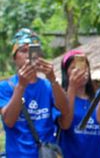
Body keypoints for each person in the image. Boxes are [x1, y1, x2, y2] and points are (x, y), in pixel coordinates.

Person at [0, 28, 69, 158]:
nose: (27, 55)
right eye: (23, 51)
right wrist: (21, 85)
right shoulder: (5, 87)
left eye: (32, 51)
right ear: (14, 58)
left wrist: (53, 79)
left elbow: (65, 111)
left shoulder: (48, 86)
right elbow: (9, 121)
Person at [57, 49, 100, 158]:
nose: (80, 71)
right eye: (73, 68)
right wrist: (72, 87)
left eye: (84, 67)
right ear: (66, 72)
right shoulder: (61, 98)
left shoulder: (96, 99)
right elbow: (64, 124)